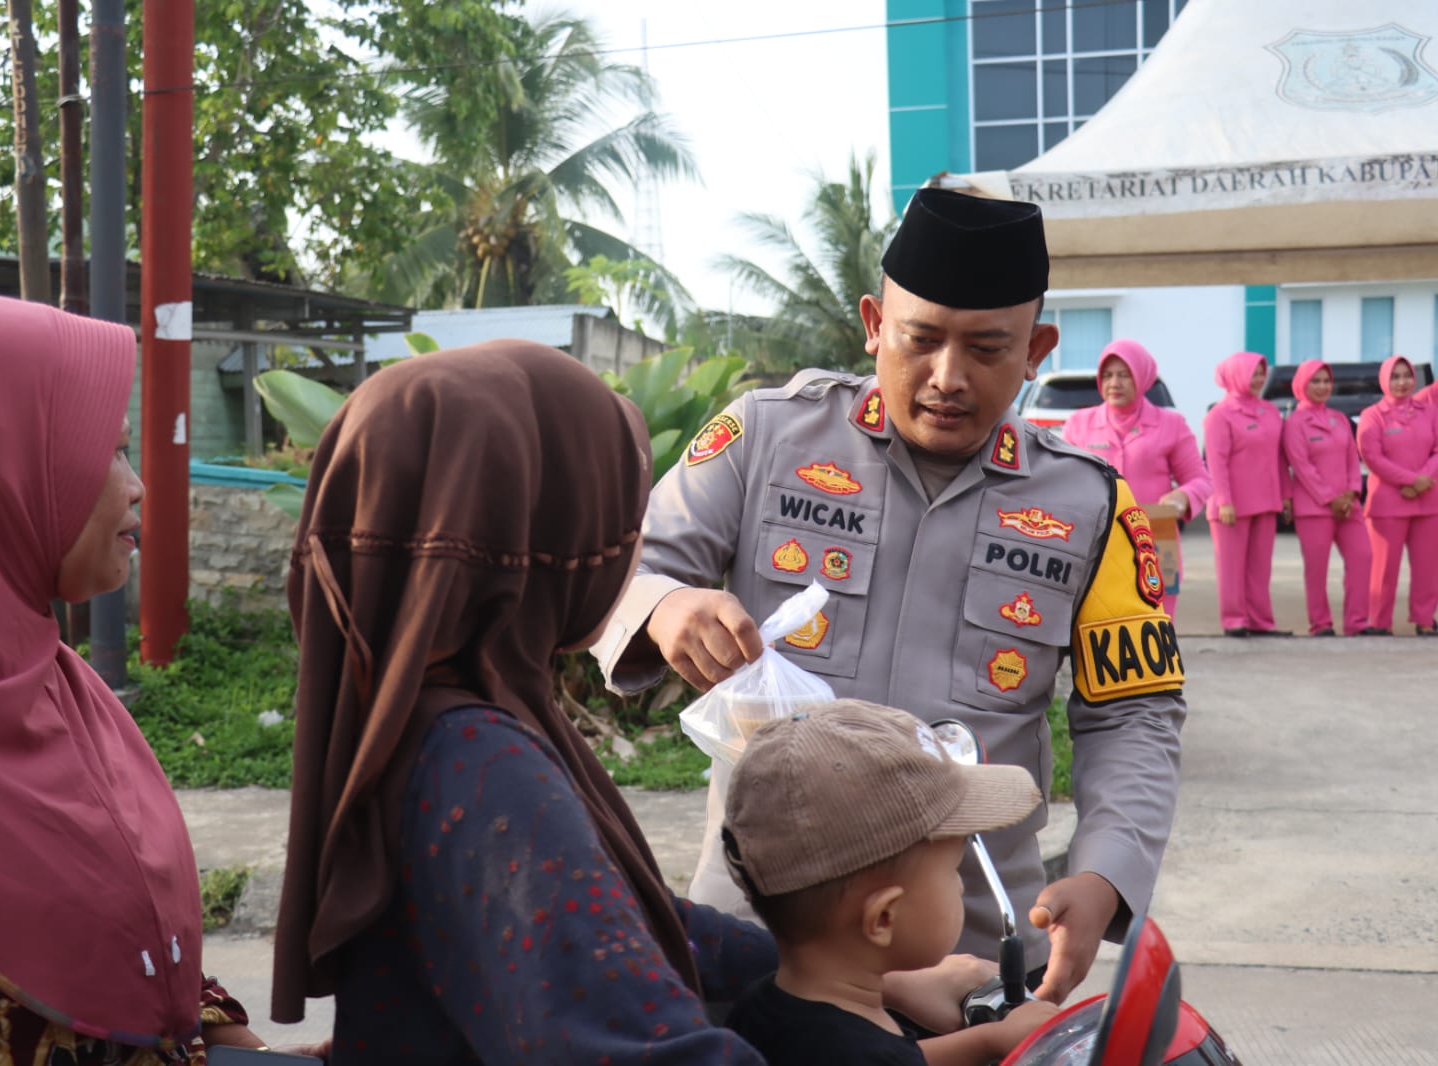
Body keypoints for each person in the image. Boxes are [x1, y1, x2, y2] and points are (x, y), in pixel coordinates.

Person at [267, 341, 991, 1061]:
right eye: (614, 513)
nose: (632, 541)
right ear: (544, 540)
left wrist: (873, 982)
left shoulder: (441, 716)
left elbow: (631, 924)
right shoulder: (482, 765)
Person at [592, 187, 1187, 1008]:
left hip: (970, 952)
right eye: (921, 339)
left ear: (1037, 349)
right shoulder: (765, 437)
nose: (948, 378)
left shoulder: (1092, 505)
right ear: (875, 324)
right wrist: (664, 608)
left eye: (987, 348)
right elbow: (621, 573)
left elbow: (1134, 714)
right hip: (760, 937)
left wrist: (1106, 874)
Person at [0, 296, 276, 1060]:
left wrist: (246, 1052)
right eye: (111, 451)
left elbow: (131, 934)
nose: (136, 486)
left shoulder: (59, 683)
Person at [723, 700, 1060, 1066]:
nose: (961, 886)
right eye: (953, 871)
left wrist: (986, 1041)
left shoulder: (759, 1007)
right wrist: (995, 1041)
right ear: (883, 918)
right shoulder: (860, 1050)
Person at [1062, 339, 1211, 620]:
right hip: (1097, 541)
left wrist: (1182, 497)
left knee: (1154, 628)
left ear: (1142, 377)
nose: (1114, 383)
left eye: (1124, 374)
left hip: (1155, 541)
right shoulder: (1079, 424)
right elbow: (1064, 480)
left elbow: (1200, 480)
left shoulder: (1171, 424)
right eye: (1107, 375)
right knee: (1098, 627)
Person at [1280, 360, 1375, 637]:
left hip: (1348, 505)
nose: (1322, 387)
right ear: (1302, 384)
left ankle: (1357, 622)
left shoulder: (1340, 419)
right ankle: (1320, 624)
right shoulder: (1294, 423)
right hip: (1314, 508)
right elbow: (1302, 467)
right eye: (1316, 381)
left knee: (1363, 556)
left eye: (1326, 381)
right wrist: (1330, 498)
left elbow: (1352, 458)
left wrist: (1351, 493)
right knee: (1317, 569)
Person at [1202, 351, 1290, 637]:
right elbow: (1216, 461)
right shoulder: (1219, 414)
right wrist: (1224, 501)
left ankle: (1261, 621)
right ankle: (1235, 620)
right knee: (1231, 568)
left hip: (1266, 500)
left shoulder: (1270, 411)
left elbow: (1278, 456)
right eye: (1253, 373)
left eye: (1262, 373)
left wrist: (1285, 494)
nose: (1259, 379)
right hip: (1231, 504)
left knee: (1260, 568)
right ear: (1236, 375)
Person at [1355, 355, 1438, 636]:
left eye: (1407, 376)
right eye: (1395, 376)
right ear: (1384, 380)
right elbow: (1372, 457)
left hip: (1428, 500)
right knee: (1384, 567)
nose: (1402, 382)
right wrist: (1412, 480)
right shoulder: (1372, 415)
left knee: (1428, 567)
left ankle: (1425, 619)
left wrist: (1423, 480)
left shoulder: (1429, 412)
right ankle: (1379, 622)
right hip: (1389, 502)